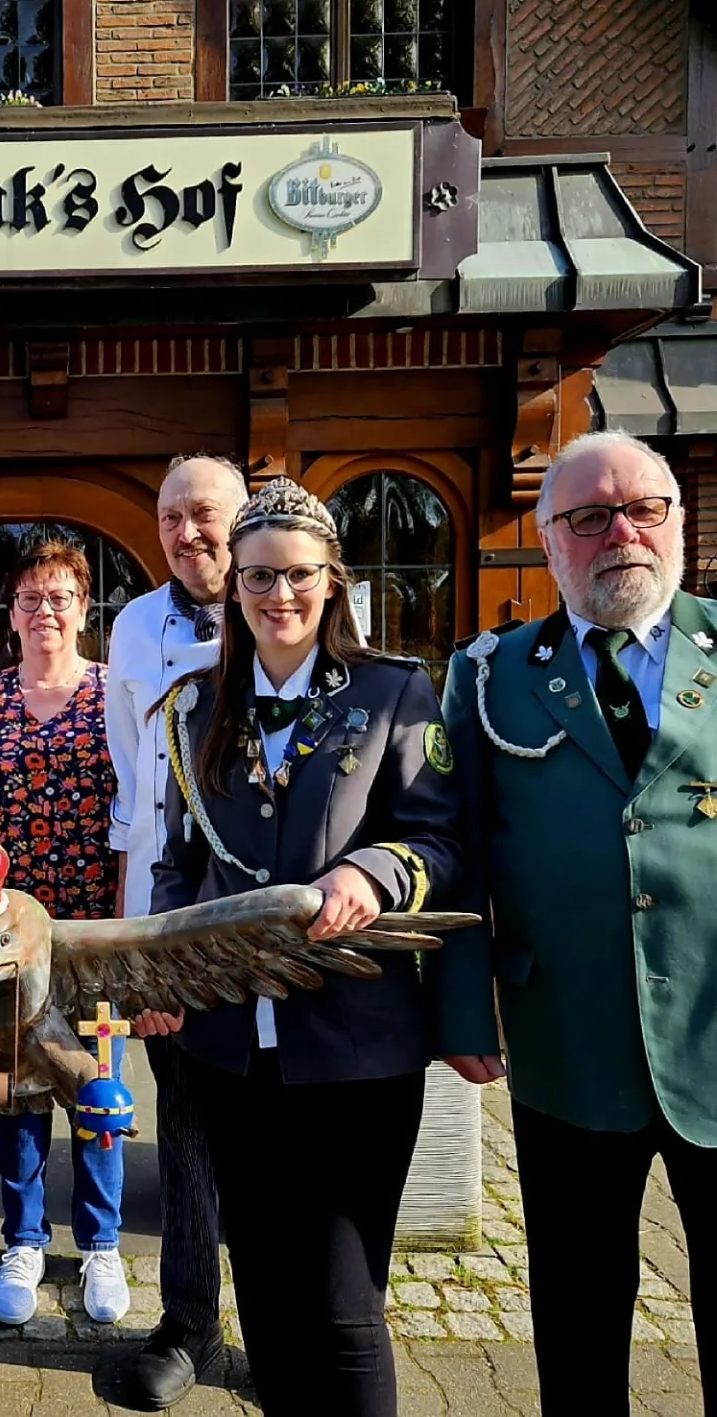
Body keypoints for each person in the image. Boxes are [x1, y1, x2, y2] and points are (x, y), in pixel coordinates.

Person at [137, 476, 494, 1416]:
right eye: (257, 577)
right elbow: (176, 864)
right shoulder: (188, 711)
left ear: (332, 581)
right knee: (264, 1292)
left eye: (297, 576)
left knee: (341, 1304)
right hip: (223, 1049)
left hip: (355, 1047)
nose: (277, 596)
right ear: (233, 585)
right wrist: (164, 972)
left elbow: (445, 841)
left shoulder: (395, 693)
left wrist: (371, 873)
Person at [442, 430, 717, 1415]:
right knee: (580, 1302)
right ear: (551, 540)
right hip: (565, 1039)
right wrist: (467, 1016)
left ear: (678, 523)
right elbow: (461, 855)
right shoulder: (487, 673)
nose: (621, 534)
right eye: (589, 517)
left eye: (644, 509)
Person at [0, 539, 130, 1327]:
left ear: (84, 609)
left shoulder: (113, 696)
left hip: (89, 928)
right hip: (10, 935)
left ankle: (101, 1246)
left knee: (96, 1088)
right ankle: (22, 1239)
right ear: (10, 612)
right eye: (29, 598)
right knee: (19, 1090)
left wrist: (126, 922)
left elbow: (135, 818)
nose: (44, 610)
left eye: (60, 596)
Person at [104, 452, 245, 1398]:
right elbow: (136, 789)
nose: (187, 534)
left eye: (204, 514)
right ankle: (191, 1323)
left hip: (274, 914)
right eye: (168, 519)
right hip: (169, 913)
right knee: (186, 1121)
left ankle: (294, 1321)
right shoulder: (134, 626)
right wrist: (135, 952)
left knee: (284, 1132)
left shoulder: (295, 610)